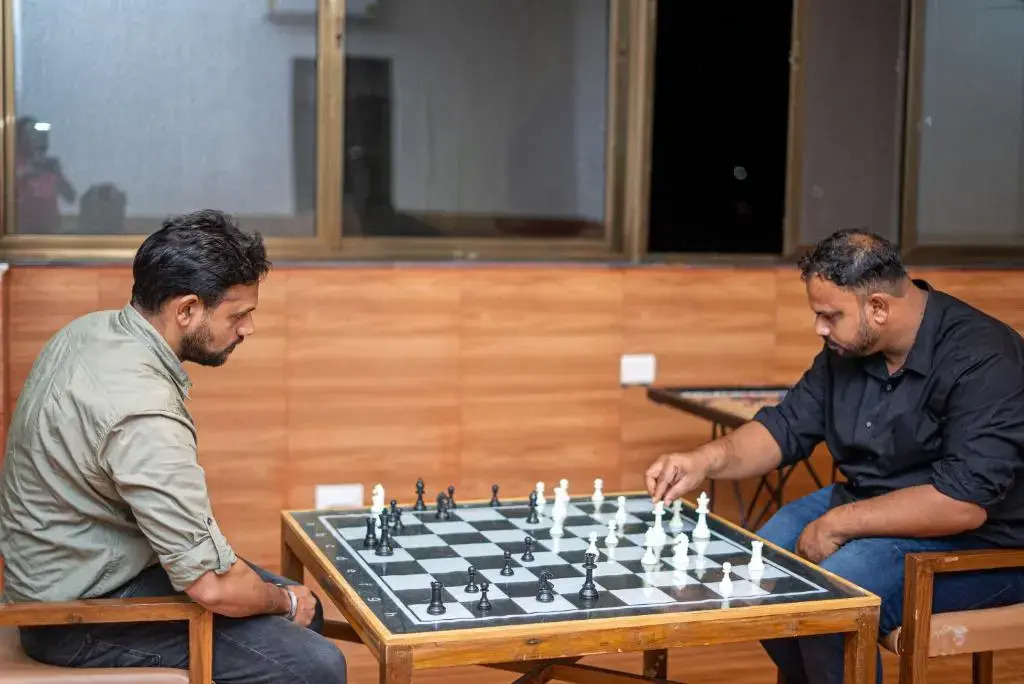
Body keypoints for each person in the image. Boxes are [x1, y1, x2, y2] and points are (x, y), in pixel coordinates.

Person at [645, 229, 1024, 684]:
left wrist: (836, 524)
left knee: (829, 601)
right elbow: (784, 428)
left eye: (829, 316)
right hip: (869, 501)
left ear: (878, 307)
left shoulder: (984, 357)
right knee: (759, 571)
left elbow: (962, 503)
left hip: (980, 543)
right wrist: (704, 460)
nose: (819, 328)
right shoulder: (848, 349)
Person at [0, 209, 348, 683]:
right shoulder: (142, 409)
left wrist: (280, 599)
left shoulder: (90, 331)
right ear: (186, 310)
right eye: (238, 314)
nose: (247, 328)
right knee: (317, 665)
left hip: (85, 569)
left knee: (305, 609)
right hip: (71, 615)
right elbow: (212, 586)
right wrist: (283, 602)